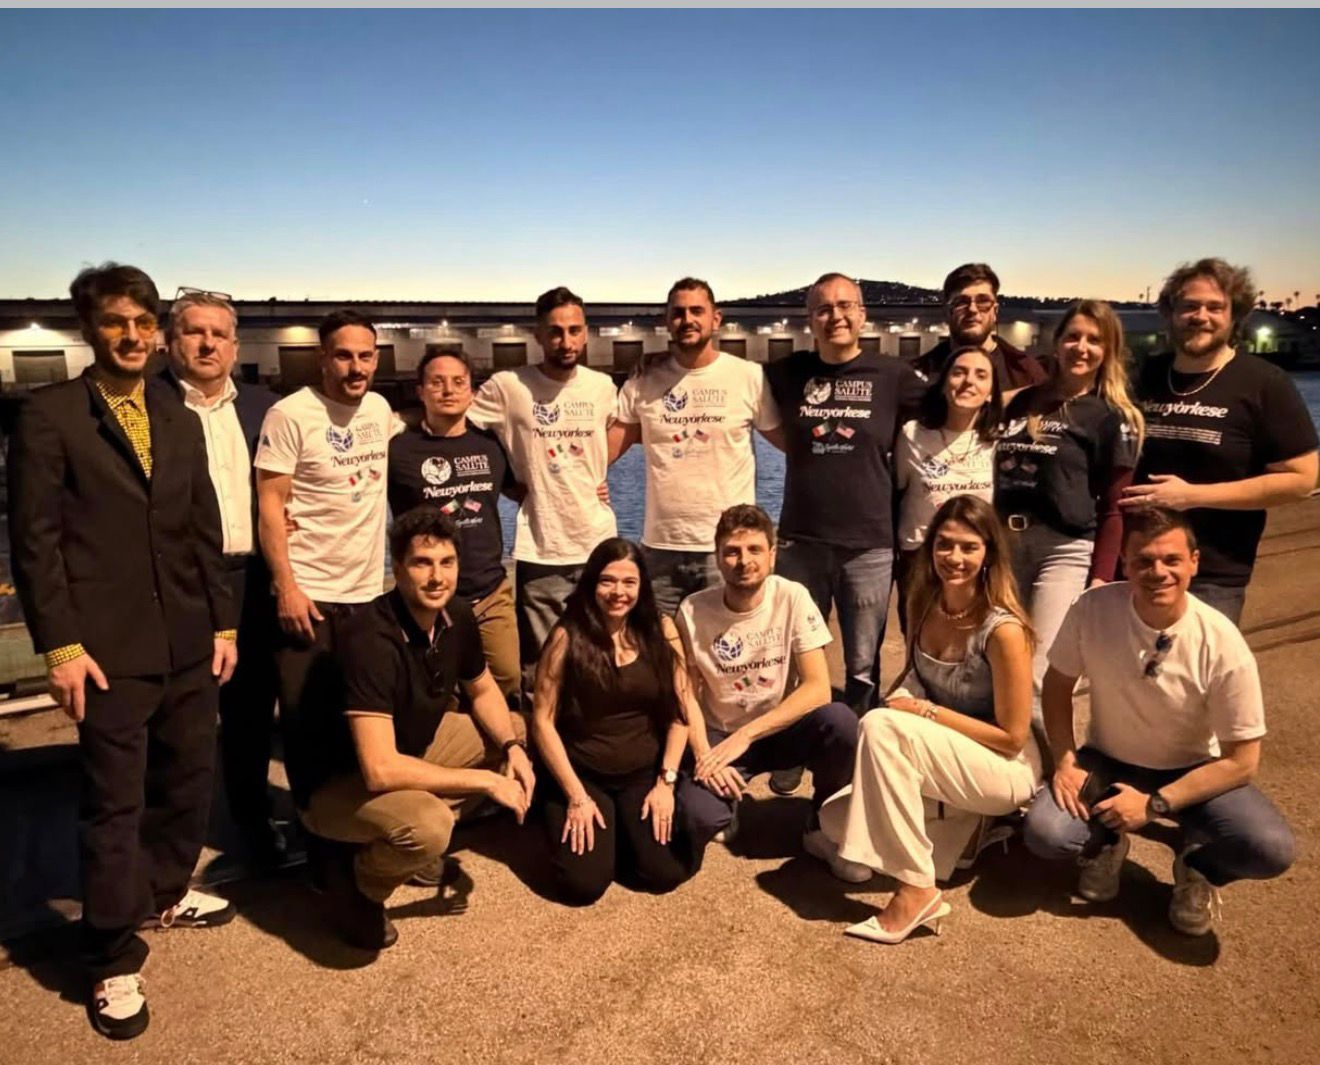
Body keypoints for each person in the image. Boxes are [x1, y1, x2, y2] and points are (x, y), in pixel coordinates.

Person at [7, 263, 238, 1040]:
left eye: (143, 321)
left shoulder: (176, 413)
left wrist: (224, 623)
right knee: (114, 802)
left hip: (188, 639)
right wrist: (61, 648)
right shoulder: (50, 416)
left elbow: (202, 526)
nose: (132, 335)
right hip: (106, 650)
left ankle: (163, 892)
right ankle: (109, 953)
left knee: (187, 781)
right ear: (89, 329)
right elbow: (35, 545)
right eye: (116, 322)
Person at [1023, 507, 1294, 936]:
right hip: (1109, 759)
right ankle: (1107, 843)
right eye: (1144, 560)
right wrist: (1066, 760)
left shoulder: (1221, 642)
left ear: (1194, 563)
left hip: (1191, 768)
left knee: (1269, 848)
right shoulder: (1093, 609)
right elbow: (1056, 686)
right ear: (1125, 563)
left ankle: (1199, 867)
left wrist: (1154, 804)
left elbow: (1243, 762)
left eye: (1171, 560)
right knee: (1046, 833)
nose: (1158, 572)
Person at [298, 507, 536, 950]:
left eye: (447, 562)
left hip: (412, 747)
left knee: (519, 730)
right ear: (398, 566)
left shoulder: (455, 615)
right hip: (340, 783)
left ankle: (401, 841)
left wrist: (511, 748)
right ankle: (360, 884)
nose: (436, 577)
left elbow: (483, 689)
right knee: (429, 826)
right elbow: (380, 771)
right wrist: (486, 781)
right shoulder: (369, 638)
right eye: (422, 563)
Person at [819, 494, 1041, 943]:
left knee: (880, 728)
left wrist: (924, 712)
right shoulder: (923, 601)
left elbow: (1012, 737)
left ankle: (916, 889)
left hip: (1005, 766)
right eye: (944, 544)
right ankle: (968, 825)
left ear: (988, 554)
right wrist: (903, 697)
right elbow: (915, 676)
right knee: (835, 821)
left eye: (969, 547)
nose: (954, 557)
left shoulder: (1003, 630)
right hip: (948, 757)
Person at [764, 272, 924, 795]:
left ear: (862, 314)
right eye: (823, 308)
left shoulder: (894, 376)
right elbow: (725, 383)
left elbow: (960, 408)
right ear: (810, 319)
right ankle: (792, 749)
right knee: (795, 658)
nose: (835, 316)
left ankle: (851, 766)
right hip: (801, 541)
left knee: (861, 666)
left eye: (845, 306)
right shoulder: (786, 373)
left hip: (869, 544)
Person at [254, 308, 401, 807]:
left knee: (360, 715)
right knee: (306, 721)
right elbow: (270, 504)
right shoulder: (290, 415)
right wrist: (286, 587)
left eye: (365, 356)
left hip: (367, 596)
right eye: (343, 356)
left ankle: (361, 820)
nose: (356, 368)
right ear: (322, 358)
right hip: (310, 595)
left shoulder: (379, 409)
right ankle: (313, 828)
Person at [160, 287, 286, 866]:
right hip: (180, 584)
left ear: (235, 347)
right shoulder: (148, 407)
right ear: (171, 341)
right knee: (180, 716)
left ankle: (251, 821)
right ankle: (170, 845)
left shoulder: (265, 408)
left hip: (253, 578)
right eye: (195, 332)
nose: (208, 344)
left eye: (219, 335)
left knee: (250, 712)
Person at [674, 504, 866, 882]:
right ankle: (727, 804)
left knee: (841, 722)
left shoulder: (792, 596)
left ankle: (824, 825)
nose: (743, 561)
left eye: (754, 550)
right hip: (721, 733)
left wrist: (747, 734)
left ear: (772, 555)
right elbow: (686, 695)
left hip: (777, 729)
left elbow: (817, 688)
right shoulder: (693, 610)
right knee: (699, 818)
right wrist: (704, 755)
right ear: (717, 557)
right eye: (732, 552)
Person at [1121, 258, 1318, 626]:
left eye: (1215, 307)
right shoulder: (1144, 375)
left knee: (1196, 665)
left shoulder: (1264, 383)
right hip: (1133, 564)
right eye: (1190, 306)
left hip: (1212, 576)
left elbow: (1302, 479)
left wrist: (1193, 496)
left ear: (1233, 316)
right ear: (1170, 313)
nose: (1201, 316)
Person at [531, 538, 698, 903]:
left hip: (643, 772)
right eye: (607, 581)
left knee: (664, 873)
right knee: (583, 886)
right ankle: (566, 817)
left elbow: (680, 714)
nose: (618, 592)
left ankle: (623, 833)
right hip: (583, 775)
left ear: (642, 587)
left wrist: (666, 783)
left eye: (629, 582)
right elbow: (542, 721)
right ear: (592, 583)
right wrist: (575, 796)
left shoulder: (660, 630)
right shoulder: (566, 636)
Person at [468, 286, 618, 677]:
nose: (565, 342)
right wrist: (504, 482)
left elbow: (626, 430)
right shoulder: (507, 386)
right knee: (541, 665)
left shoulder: (602, 387)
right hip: (541, 548)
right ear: (538, 334)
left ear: (586, 334)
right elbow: (461, 429)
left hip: (597, 543)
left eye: (574, 331)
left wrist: (598, 473)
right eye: (555, 332)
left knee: (600, 656)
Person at [609, 278, 781, 616]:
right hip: (661, 550)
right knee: (662, 645)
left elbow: (794, 447)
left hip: (727, 549)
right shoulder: (643, 381)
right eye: (678, 313)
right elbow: (603, 453)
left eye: (696, 311)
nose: (687, 319)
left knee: (728, 645)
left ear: (716, 319)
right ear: (667, 320)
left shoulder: (748, 377)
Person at [996, 300, 1144, 694]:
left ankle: (1047, 738)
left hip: (1062, 550)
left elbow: (1115, 508)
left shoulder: (1112, 416)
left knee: (1040, 673)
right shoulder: (1023, 403)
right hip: (1005, 547)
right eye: (1073, 336)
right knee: (1000, 662)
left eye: (1094, 340)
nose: (1081, 347)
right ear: (1057, 342)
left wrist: (1101, 579)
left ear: (1108, 350)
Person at [389, 349, 519, 698]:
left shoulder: (492, 445)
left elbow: (524, 488)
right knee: (437, 691)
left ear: (472, 392)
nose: (448, 390)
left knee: (507, 677)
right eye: (437, 382)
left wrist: (591, 486)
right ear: (420, 392)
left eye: (458, 382)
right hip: (429, 593)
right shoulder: (399, 450)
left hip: (489, 590)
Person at [894, 346, 1003, 626]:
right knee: (920, 639)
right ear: (943, 384)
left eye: (981, 375)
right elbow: (896, 490)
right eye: (959, 372)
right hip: (921, 558)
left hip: (976, 560)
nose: (969, 381)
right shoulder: (913, 435)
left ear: (991, 392)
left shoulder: (998, 441)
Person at [908, 262, 1048, 391]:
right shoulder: (917, 375)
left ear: (995, 311)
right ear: (947, 311)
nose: (972, 309)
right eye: (961, 302)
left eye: (983, 301)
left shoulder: (1027, 374)